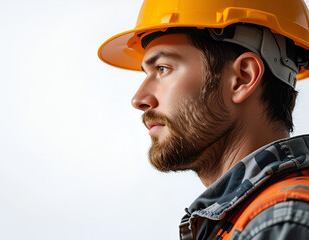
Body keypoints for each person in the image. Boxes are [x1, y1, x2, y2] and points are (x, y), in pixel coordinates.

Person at [98, 0, 309, 239]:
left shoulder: (279, 223)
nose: (139, 99)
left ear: (242, 78)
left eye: (163, 68)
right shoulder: (245, 218)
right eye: (147, 73)